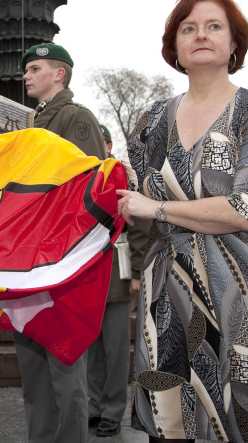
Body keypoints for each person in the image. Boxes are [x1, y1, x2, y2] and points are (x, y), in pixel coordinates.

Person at [117, 0, 248, 442]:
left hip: (239, 286)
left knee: (245, 413)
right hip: (165, 288)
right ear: (175, 48)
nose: (200, 35)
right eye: (188, 28)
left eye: (214, 26)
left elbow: (244, 209)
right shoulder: (152, 118)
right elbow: (128, 190)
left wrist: (159, 208)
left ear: (234, 44)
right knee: (169, 419)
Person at [17, 42, 106, 443]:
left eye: (35, 68)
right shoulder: (30, 125)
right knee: (34, 371)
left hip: (57, 258)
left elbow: (86, 189)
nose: (26, 75)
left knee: (64, 365)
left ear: (60, 74)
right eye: (27, 70)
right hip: (27, 257)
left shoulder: (75, 117)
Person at [86, 125, 149, 438]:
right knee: (92, 345)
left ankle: (112, 410)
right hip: (86, 274)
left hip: (115, 274)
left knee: (115, 347)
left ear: (108, 145)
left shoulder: (123, 175)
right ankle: (93, 406)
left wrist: (137, 273)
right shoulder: (82, 174)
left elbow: (138, 228)